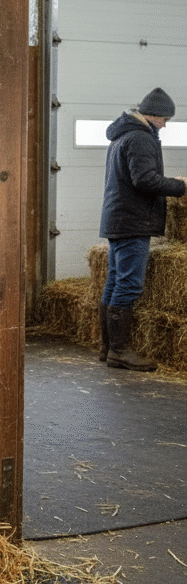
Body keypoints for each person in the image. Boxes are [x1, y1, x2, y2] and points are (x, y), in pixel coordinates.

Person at [98, 87, 187, 371]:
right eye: (165, 119)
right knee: (128, 284)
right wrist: (181, 185)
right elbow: (145, 180)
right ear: (154, 115)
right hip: (132, 221)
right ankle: (119, 351)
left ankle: (108, 348)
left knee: (114, 282)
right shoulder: (140, 137)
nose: (165, 124)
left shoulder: (124, 135)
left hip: (119, 218)